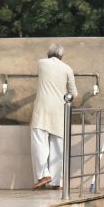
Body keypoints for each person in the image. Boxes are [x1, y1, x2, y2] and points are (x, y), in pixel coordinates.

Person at [30, 44, 78, 190]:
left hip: (42, 109)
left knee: (39, 142)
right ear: (62, 56)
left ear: (48, 53)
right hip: (59, 110)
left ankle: (43, 174)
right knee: (58, 146)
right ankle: (56, 182)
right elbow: (74, 94)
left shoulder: (41, 63)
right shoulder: (67, 69)